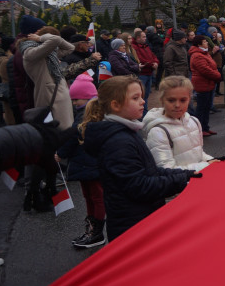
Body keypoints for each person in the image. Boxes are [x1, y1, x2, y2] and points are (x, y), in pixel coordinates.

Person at [81, 76, 195, 241]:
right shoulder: (118, 142)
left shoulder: (126, 132)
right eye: (135, 98)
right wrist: (181, 181)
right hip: (132, 227)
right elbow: (140, 186)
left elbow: (150, 171)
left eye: (141, 96)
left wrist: (186, 174)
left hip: (139, 219)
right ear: (116, 105)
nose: (143, 101)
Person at [56, 73, 106, 248]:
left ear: (85, 98)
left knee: (95, 197)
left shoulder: (84, 116)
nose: (74, 102)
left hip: (89, 163)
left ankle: (96, 232)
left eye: (76, 99)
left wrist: (60, 153)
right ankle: (92, 229)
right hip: (86, 163)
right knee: (90, 196)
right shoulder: (89, 113)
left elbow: (72, 136)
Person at [142, 76, 219, 172]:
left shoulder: (193, 121)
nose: (177, 105)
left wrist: (210, 160)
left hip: (197, 177)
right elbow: (166, 169)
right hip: (179, 184)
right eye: (171, 100)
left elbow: (198, 153)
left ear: (189, 100)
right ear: (162, 100)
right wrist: (205, 165)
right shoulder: (158, 131)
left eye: (183, 100)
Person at [188, 35, 221, 137]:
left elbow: (212, 66)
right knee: (201, 108)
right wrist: (218, 75)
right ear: (199, 44)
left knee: (206, 108)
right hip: (202, 84)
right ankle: (199, 129)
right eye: (205, 42)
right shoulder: (197, 55)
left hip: (209, 83)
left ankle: (205, 128)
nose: (207, 43)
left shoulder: (205, 53)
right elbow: (205, 70)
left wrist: (215, 74)